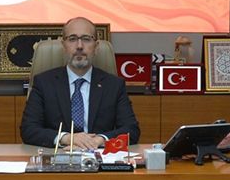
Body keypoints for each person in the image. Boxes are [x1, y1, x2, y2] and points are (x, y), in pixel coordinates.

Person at [20, 16, 141, 149]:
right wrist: (67, 138)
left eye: (86, 39)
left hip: (98, 155)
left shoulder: (114, 85)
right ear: (64, 46)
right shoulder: (44, 83)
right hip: (59, 156)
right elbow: (28, 129)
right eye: (72, 39)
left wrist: (100, 140)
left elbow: (131, 130)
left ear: (96, 46)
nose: (79, 46)